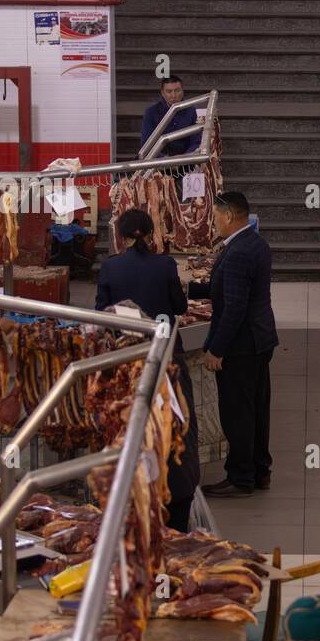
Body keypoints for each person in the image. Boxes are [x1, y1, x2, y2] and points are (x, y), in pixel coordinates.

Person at [95, 209, 201, 531]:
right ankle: (177, 497)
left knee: (132, 427)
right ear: (150, 233)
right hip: (168, 356)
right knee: (176, 424)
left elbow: (101, 314)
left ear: (122, 235)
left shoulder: (111, 267)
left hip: (127, 360)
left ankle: (136, 499)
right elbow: (180, 308)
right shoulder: (165, 264)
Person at [188, 192, 278, 498]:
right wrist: (190, 288)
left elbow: (235, 307)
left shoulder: (238, 251)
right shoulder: (255, 243)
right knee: (257, 407)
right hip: (260, 339)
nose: (213, 223)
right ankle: (259, 470)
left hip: (242, 345)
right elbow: (230, 289)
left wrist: (216, 349)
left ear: (229, 216)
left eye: (215, 217)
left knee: (237, 411)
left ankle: (240, 477)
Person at [138, 76, 199, 158]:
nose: (173, 95)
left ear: (182, 91)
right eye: (169, 91)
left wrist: (184, 158)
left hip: (185, 161)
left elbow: (196, 140)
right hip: (158, 162)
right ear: (162, 93)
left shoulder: (191, 110)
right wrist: (164, 160)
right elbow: (146, 143)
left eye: (177, 91)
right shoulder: (151, 112)